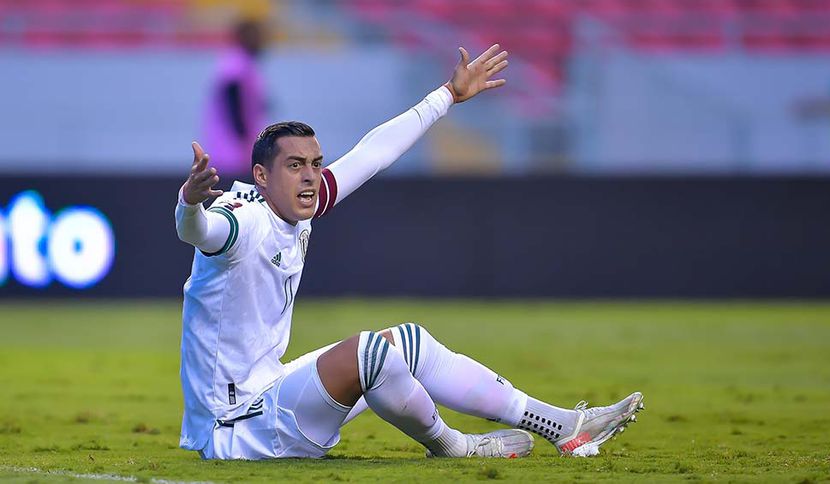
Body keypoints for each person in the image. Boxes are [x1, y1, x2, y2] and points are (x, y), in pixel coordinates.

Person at [175, 43, 644, 460]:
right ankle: (456, 446)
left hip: (270, 391)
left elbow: (373, 153)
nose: (311, 176)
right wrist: (189, 202)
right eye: (295, 165)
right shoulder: (243, 218)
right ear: (261, 176)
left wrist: (448, 95)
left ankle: (562, 425)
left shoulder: (300, 204)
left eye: (315, 164)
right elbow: (201, 232)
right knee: (370, 353)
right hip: (233, 428)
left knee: (408, 342)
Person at [201, 19, 269, 176]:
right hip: (232, 151)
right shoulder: (236, 61)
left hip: (238, 149)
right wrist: (243, 140)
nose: (261, 41)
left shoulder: (245, 62)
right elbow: (233, 102)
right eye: (256, 36)